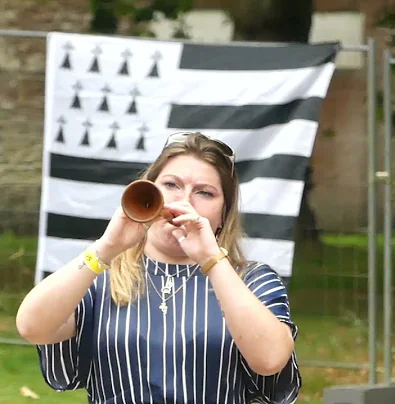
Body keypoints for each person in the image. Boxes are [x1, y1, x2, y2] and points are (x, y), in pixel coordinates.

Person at [16, 132, 301, 403]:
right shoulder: (101, 276)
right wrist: (106, 248)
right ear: (148, 192)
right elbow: (32, 327)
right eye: (171, 185)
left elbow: (270, 360)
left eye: (204, 193)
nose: (183, 201)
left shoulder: (251, 280)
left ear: (223, 214)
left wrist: (211, 260)